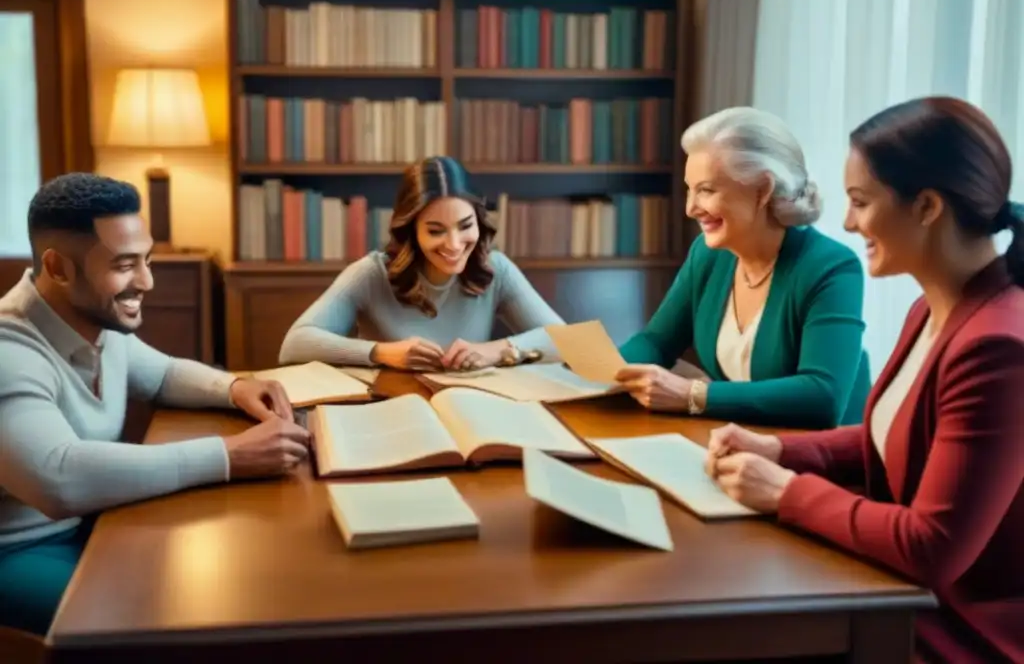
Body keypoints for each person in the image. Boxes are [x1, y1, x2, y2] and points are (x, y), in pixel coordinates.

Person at [705, 97, 1024, 664]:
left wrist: (784, 491)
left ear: (926, 206)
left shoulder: (998, 349)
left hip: (953, 632)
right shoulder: (931, 310)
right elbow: (898, 433)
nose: (848, 223)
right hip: (896, 598)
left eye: (860, 202)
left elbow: (930, 549)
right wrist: (779, 449)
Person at [0, 173, 310, 637]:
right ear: (59, 268)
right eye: (125, 265)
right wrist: (229, 457)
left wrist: (236, 387)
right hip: (16, 552)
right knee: (161, 617)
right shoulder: (9, 349)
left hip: (95, 522)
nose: (146, 280)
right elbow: (59, 478)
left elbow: (162, 373)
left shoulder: (91, 317)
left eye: (146, 259)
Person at [614, 107, 871, 428]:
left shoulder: (831, 266)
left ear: (762, 190)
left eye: (706, 190)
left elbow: (823, 396)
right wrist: (606, 373)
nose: (691, 208)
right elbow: (657, 341)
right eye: (689, 189)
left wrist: (693, 395)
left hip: (822, 461)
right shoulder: (709, 255)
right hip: (742, 443)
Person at [279, 156, 564, 371]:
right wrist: (381, 353)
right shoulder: (370, 274)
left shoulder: (496, 269)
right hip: (390, 412)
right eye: (436, 231)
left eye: (465, 226)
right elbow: (294, 344)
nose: (454, 244)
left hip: (469, 411)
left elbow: (567, 342)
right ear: (412, 230)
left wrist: (500, 350)